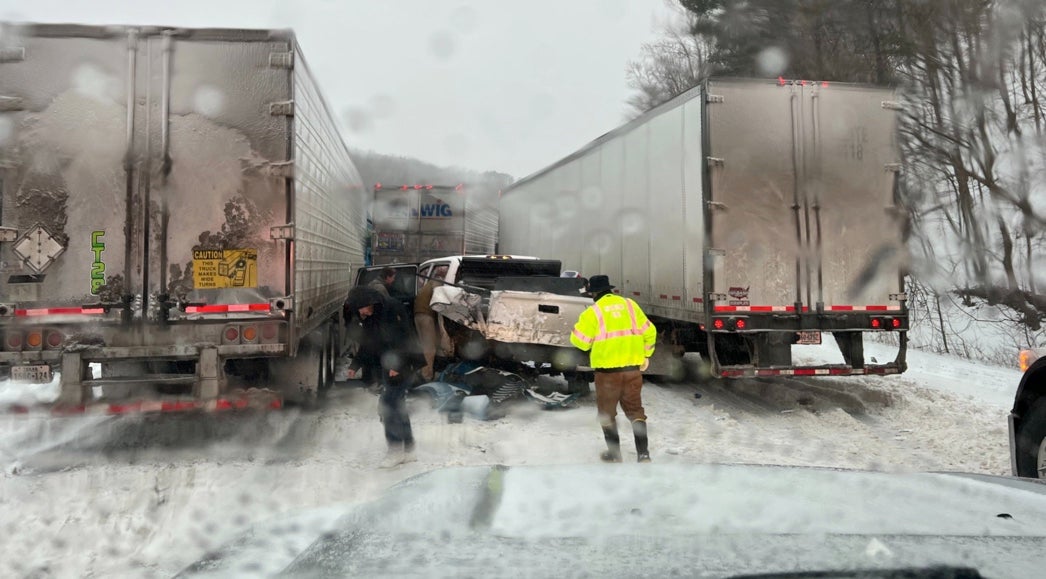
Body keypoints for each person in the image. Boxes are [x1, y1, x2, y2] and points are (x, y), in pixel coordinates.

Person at [569, 274, 657, 463]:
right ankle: (643, 454)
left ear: (593, 293)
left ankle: (615, 454)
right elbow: (650, 332)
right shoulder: (630, 305)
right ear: (610, 289)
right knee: (636, 412)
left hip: (607, 375)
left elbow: (580, 342)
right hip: (633, 370)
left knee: (607, 414)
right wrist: (646, 355)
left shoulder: (593, 312)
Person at [345, 286, 424, 468]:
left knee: (387, 405)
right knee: (397, 404)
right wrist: (355, 365)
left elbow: (404, 338)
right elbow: (368, 343)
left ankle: (396, 450)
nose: (361, 312)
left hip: (404, 363)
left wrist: (398, 364)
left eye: (361, 308)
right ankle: (409, 449)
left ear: (369, 302)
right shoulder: (372, 317)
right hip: (388, 364)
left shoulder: (392, 308)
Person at [414, 265, 447, 382]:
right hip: (426, 317)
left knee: (424, 346)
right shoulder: (437, 283)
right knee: (430, 349)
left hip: (418, 315)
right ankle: (427, 376)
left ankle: (421, 370)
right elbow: (440, 300)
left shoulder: (428, 283)